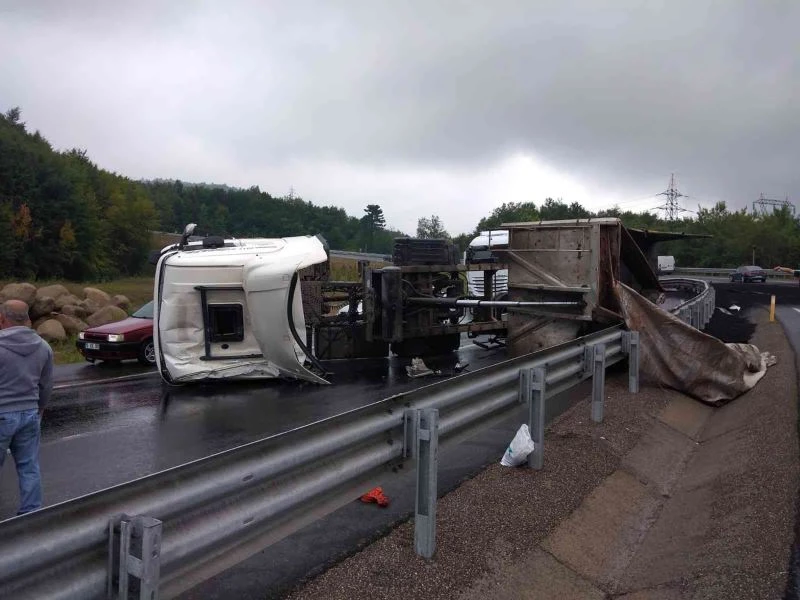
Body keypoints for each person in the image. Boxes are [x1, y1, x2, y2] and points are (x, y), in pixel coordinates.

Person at [0, 299, 53, 515]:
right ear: (27, 319)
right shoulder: (43, 347)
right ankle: (31, 514)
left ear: (2, 319)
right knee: (29, 466)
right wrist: (40, 408)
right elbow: (46, 384)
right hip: (30, 413)